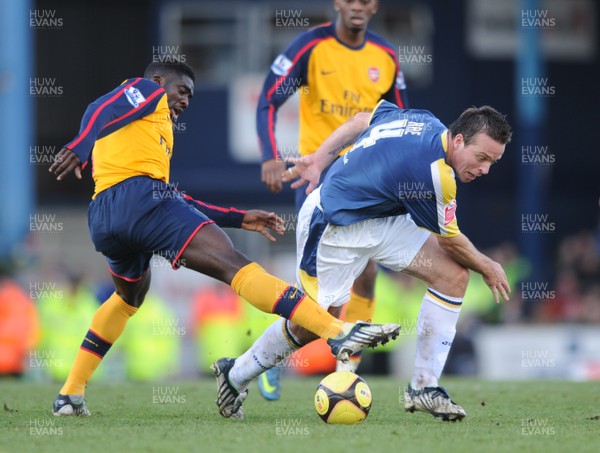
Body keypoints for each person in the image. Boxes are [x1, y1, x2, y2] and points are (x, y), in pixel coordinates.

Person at [48, 61, 401, 417]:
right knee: (237, 268)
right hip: (139, 200)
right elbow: (99, 108)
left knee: (127, 299)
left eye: (190, 95)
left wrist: (237, 217)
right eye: (181, 90)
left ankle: (70, 394)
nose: (185, 100)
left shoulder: (145, 131)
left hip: (105, 217)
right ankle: (337, 331)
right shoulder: (148, 91)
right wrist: (79, 146)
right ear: (157, 82)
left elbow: (173, 197)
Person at [214, 100, 512, 421]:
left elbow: (359, 119)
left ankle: (424, 386)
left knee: (453, 276)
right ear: (458, 140)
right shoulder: (437, 174)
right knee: (310, 325)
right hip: (334, 225)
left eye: (493, 162)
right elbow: (449, 240)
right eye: (481, 158)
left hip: (381, 218)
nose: (484, 169)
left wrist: (319, 158)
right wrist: (488, 265)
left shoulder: (425, 120)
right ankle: (235, 375)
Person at [256, 0, 408, 399]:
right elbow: (268, 98)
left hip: (370, 178)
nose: (359, 6)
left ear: (375, 6)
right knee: (322, 295)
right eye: (352, 0)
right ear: (339, 3)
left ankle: (347, 371)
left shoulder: (386, 56)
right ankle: (270, 359)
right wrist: (270, 155)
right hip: (320, 178)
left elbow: (400, 121)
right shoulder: (310, 47)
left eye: (367, 0)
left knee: (368, 273)